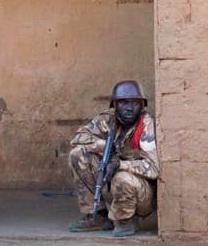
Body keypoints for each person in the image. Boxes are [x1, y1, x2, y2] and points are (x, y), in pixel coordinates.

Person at [67, 80, 159, 237]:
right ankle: (97, 215)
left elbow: (153, 168)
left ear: (142, 105)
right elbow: (77, 139)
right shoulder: (108, 120)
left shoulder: (147, 126)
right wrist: (104, 147)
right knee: (78, 155)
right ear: (115, 105)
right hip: (111, 184)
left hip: (142, 194)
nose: (129, 108)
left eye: (135, 103)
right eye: (124, 102)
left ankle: (125, 221)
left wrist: (120, 164)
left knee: (121, 177)